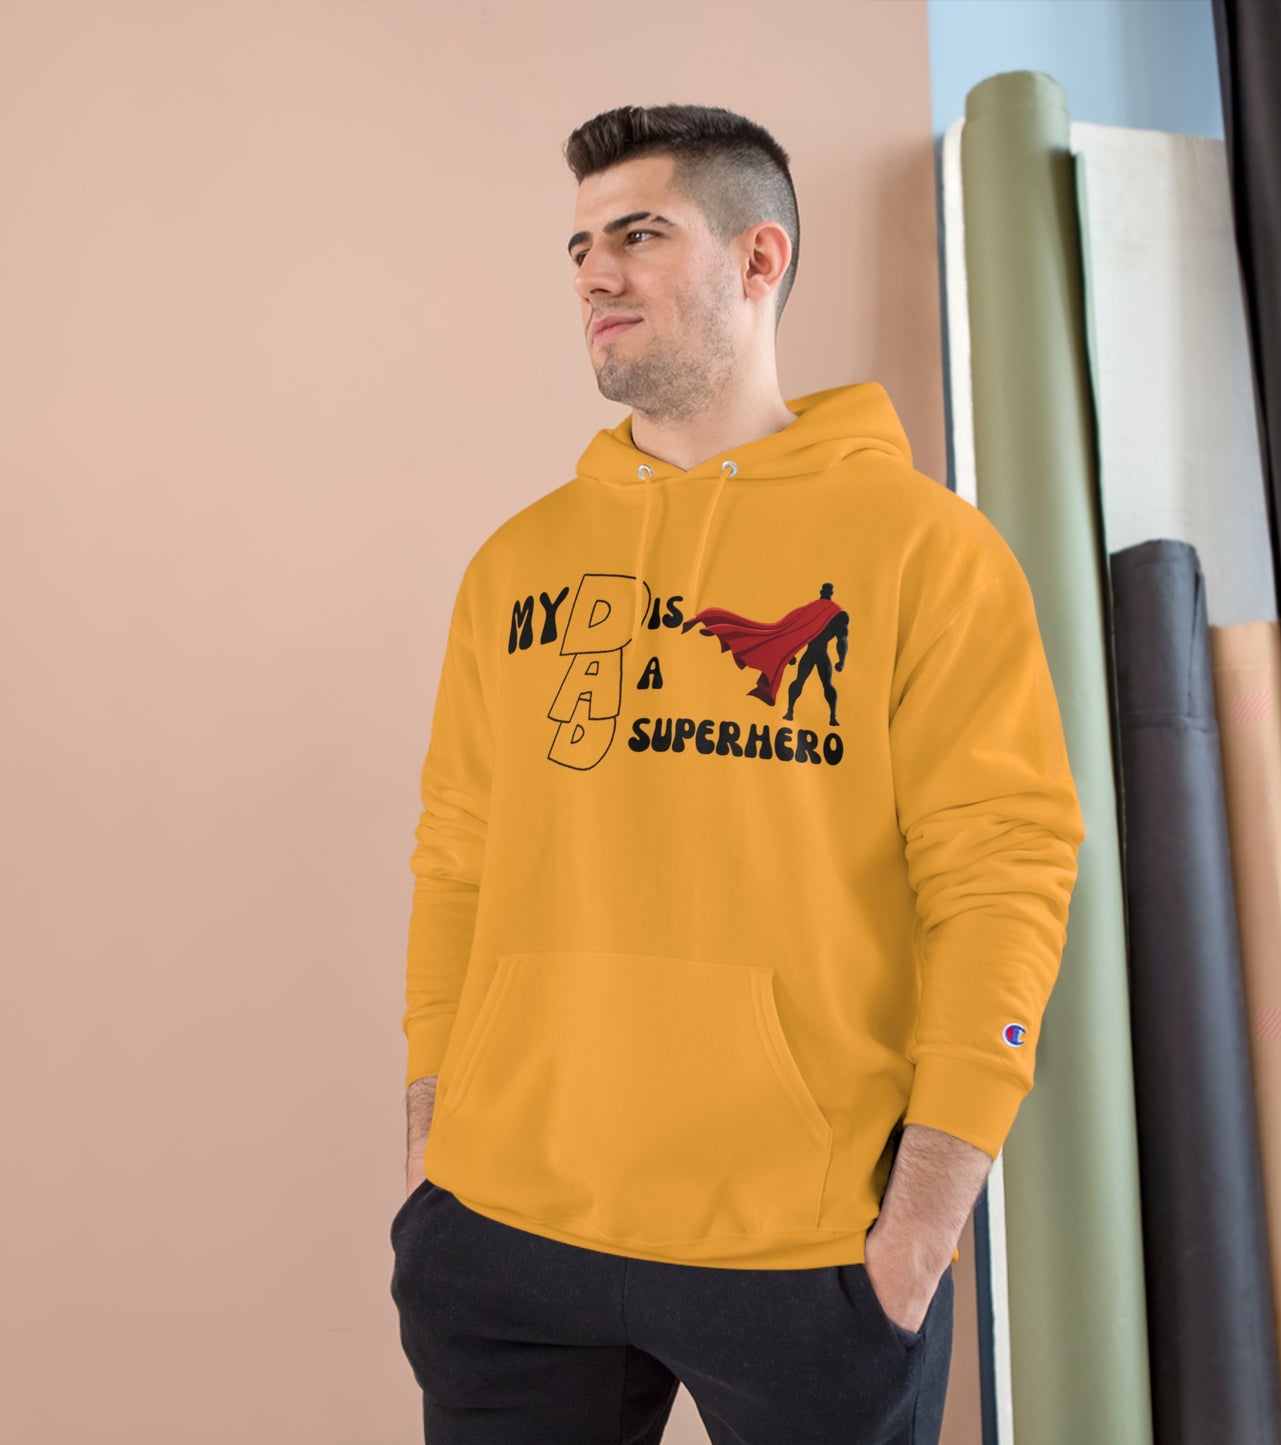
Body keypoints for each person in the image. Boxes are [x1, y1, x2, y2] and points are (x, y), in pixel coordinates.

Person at [388, 102, 1085, 1445]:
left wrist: (922, 1223)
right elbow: (456, 851)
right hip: (504, 1231)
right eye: (580, 246)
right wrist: (432, 1141)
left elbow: (1001, 874)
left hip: (804, 1249)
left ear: (759, 258)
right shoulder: (516, 565)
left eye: (639, 235)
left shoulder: (925, 553)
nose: (594, 274)